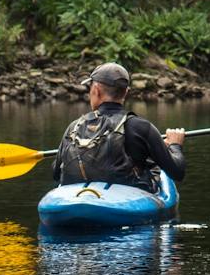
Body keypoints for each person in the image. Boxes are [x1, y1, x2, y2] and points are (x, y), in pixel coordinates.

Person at [53, 63, 185, 191]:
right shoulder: (141, 127)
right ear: (126, 92)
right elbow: (178, 172)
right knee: (152, 165)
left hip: (77, 200)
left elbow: (56, 173)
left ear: (96, 90)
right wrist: (174, 145)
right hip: (125, 201)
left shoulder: (74, 127)